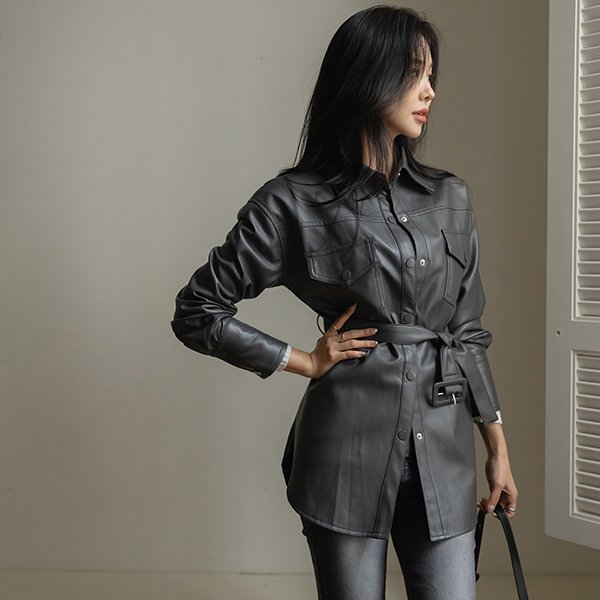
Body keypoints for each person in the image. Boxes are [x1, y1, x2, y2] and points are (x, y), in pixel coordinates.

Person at [171, 5, 518, 599]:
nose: (430, 91)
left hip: (445, 451)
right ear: (367, 76)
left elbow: (467, 333)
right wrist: (302, 360)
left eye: (432, 74)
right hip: (344, 455)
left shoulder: (451, 197)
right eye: (414, 73)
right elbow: (197, 309)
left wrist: (497, 448)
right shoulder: (291, 203)